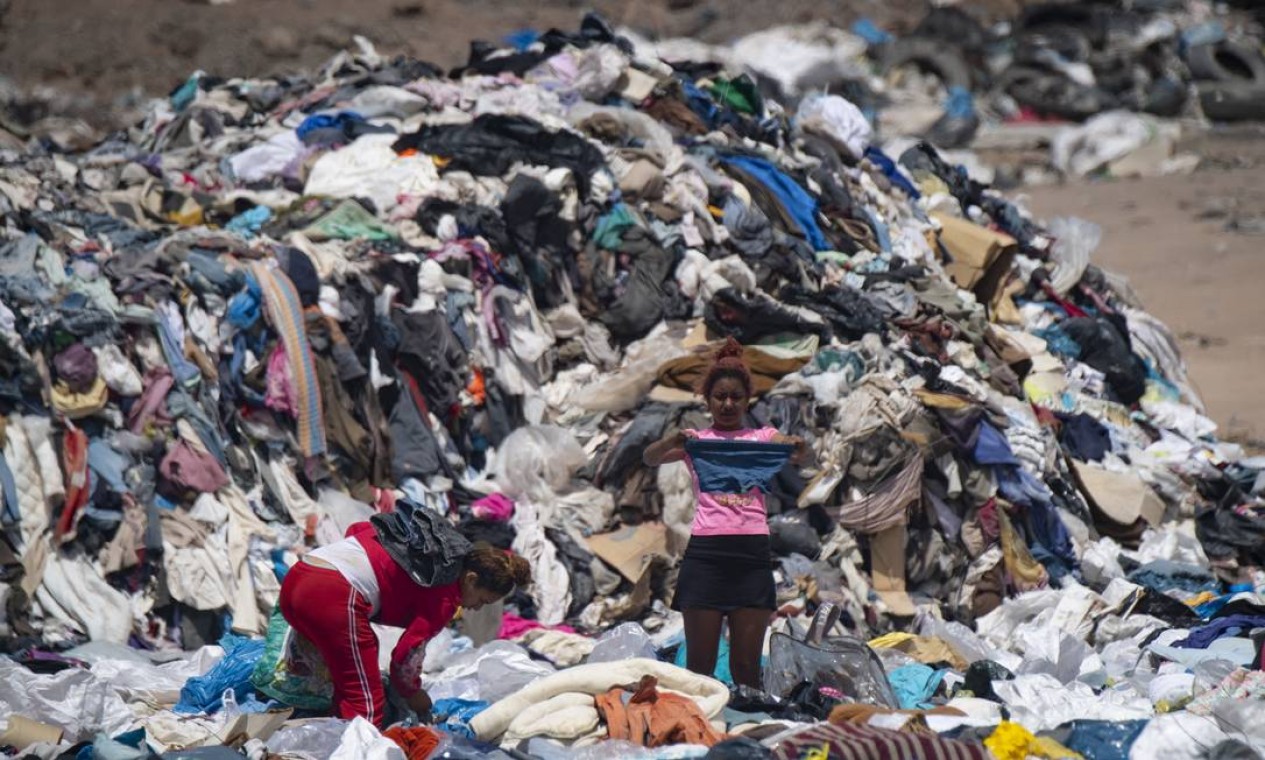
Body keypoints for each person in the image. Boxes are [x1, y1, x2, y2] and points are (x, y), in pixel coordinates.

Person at [643, 338, 807, 689]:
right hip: (706, 558)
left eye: (736, 397)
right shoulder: (695, 439)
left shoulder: (764, 438)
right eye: (720, 397)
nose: (728, 404)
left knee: (746, 671)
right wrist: (671, 442)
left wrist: (795, 447)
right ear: (708, 400)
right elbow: (650, 458)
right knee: (698, 670)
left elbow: (800, 458)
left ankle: (744, 731)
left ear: (748, 400)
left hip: (752, 559)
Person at [278, 518, 530, 725]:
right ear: (471, 579)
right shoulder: (444, 594)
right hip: (332, 594)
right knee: (366, 707)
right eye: (482, 600)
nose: (475, 607)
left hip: (298, 578)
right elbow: (405, 658)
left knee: (355, 660)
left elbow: (357, 528)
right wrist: (414, 694)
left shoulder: (431, 553)